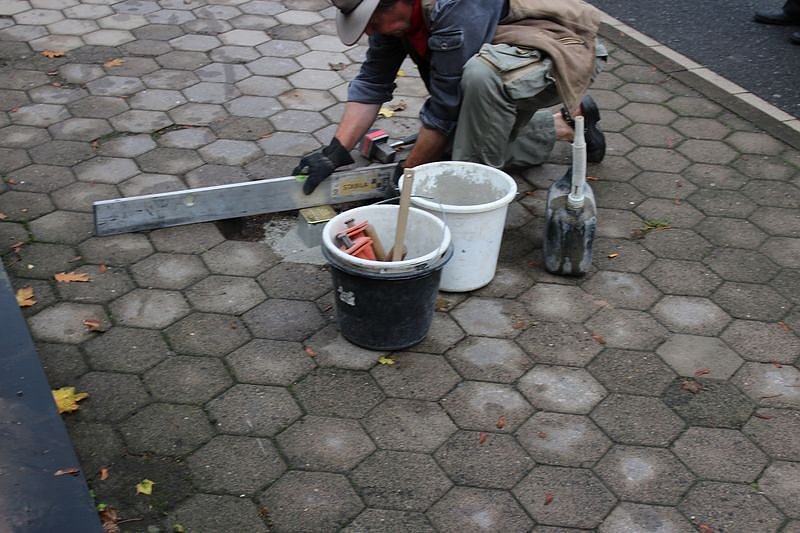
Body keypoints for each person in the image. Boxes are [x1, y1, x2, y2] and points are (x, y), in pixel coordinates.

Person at [294, 0, 608, 195]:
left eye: (372, 23)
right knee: (449, 144)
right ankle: (564, 127)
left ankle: (471, 191)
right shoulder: (396, 22)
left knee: (479, 81)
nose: (370, 33)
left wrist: (407, 177)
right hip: (502, 55)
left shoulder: (454, 6)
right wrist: (334, 152)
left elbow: (446, 109)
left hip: (562, 51)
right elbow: (373, 81)